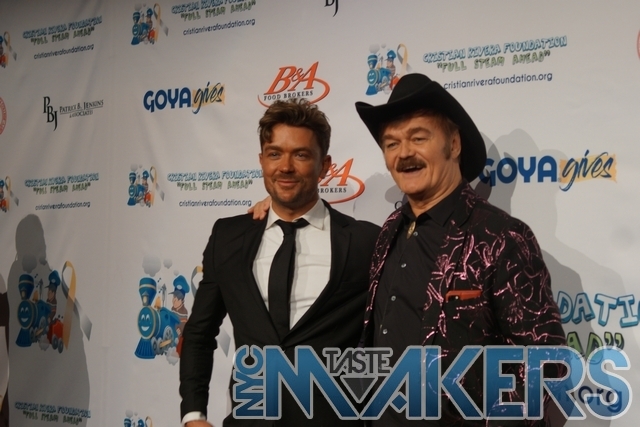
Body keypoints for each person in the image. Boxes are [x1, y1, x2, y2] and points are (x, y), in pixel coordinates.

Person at [354, 73, 566, 425]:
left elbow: (546, 365)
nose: (403, 153)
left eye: (418, 138)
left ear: (453, 145)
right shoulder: (389, 231)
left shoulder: (501, 237)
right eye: (391, 144)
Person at [179, 98, 380, 427]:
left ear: (324, 165)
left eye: (300, 155)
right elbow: (200, 333)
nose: (285, 167)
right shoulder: (228, 237)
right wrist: (193, 415)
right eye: (275, 154)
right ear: (261, 160)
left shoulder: (365, 242)